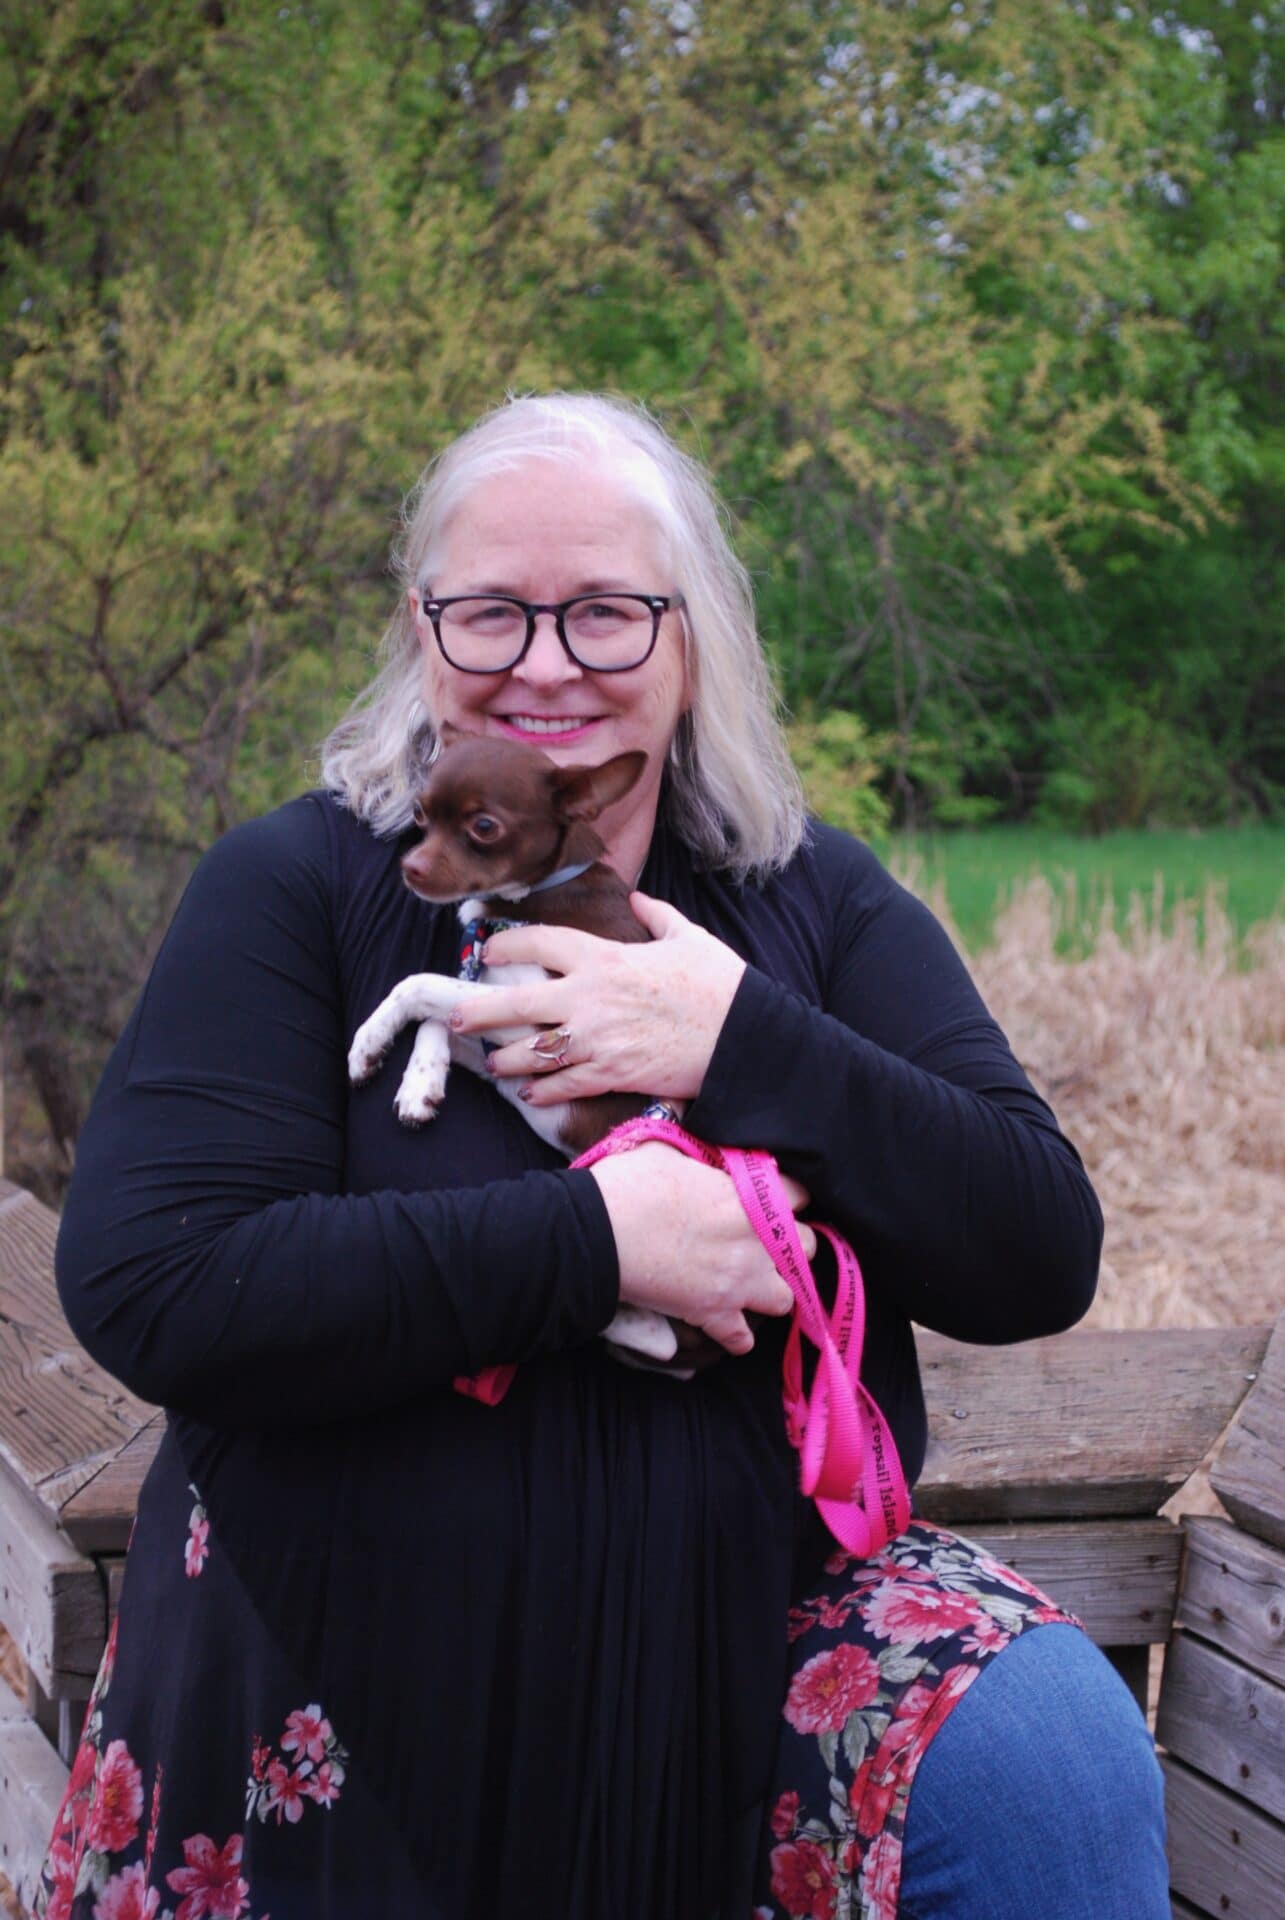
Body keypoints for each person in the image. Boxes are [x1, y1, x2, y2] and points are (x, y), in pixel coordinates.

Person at [39, 393, 1167, 1920]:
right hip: (333, 1623)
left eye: (607, 614)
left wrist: (737, 1037)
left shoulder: (806, 902)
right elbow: (152, 1282)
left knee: (1046, 1764)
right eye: (492, 611)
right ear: (422, 630)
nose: (545, 663)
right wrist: (600, 1243)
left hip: (740, 1621)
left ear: (691, 636)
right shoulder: (297, 888)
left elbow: (1037, 1248)